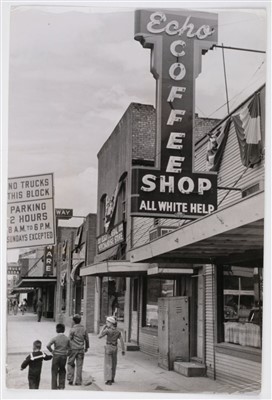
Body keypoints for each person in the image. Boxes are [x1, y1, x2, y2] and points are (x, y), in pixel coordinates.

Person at [98, 316, 125, 385]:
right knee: (114, 363)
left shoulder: (107, 330)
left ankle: (108, 380)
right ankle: (112, 378)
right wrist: (123, 350)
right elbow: (122, 341)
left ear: (111, 323)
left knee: (108, 364)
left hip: (108, 347)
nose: (106, 323)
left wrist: (103, 328)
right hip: (115, 347)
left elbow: (99, 336)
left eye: (107, 322)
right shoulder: (118, 331)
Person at [67, 314, 89, 386]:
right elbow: (87, 339)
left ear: (73, 321)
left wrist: (68, 348)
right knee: (79, 365)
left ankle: (70, 379)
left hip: (73, 349)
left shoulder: (72, 329)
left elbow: (69, 339)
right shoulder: (84, 329)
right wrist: (86, 347)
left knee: (70, 363)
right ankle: (78, 381)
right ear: (80, 321)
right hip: (81, 349)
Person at [46, 323, 70, 390]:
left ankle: (54, 387)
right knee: (62, 370)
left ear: (56, 330)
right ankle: (61, 386)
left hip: (56, 356)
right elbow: (70, 348)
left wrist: (52, 351)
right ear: (64, 330)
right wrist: (67, 353)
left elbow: (48, 346)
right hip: (63, 356)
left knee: (54, 371)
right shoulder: (67, 339)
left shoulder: (55, 338)